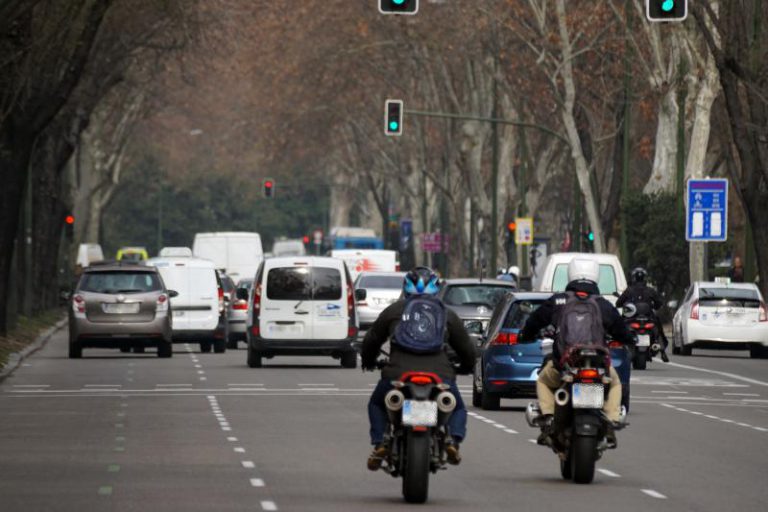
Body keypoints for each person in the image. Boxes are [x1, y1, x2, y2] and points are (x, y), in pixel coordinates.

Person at [361, 266, 476, 470]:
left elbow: (371, 340)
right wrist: (466, 367)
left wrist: (368, 360)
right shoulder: (447, 314)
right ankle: (453, 441)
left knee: (377, 404)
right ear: (436, 290)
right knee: (457, 407)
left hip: (398, 373)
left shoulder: (394, 310)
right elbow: (467, 348)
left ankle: (380, 442)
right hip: (440, 375)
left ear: (405, 289)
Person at [520, 259, 634, 445]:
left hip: (565, 366)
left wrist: (526, 335)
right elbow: (621, 330)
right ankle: (612, 420)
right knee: (614, 383)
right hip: (598, 367)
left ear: (570, 274)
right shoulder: (602, 304)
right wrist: (630, 340)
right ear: (595, 276)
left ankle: (549, 417)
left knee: (543, 379)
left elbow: (534, 320)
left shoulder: (559, 300)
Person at [616, 267, 670, 363]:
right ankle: (663, 352)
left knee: (619, 325)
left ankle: (617, 348)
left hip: (633, 319)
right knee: (658, 327)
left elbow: (618, 303)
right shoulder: (650, 290)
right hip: (648, 319)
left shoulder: (629, 290)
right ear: (644, 278)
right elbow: (658, 304)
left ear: (634, 278)